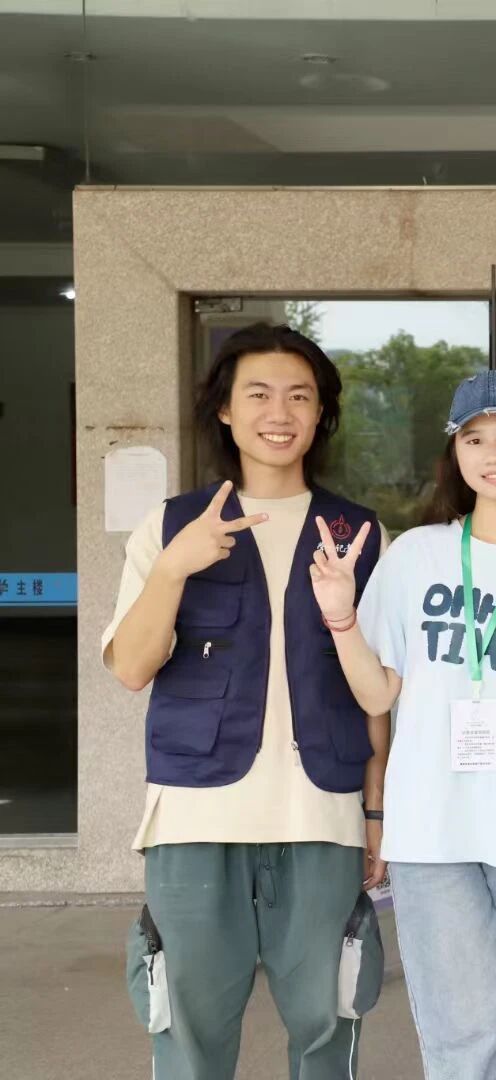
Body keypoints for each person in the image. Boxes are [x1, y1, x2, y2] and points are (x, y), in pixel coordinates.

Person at [107, 322, 387, 1079]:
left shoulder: (358, 533)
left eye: (300, 396)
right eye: (258, 394)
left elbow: (377, 695)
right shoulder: (171, 526)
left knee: (329, 1024)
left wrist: (375, 813)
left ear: (321, 413)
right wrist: (173, 569)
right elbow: (131, 667)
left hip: (322, 815)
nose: (280, 412)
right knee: (189, 1033)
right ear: (225, 410)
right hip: (195, 817)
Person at [314, 370, 496, 1080]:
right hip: (433, 826)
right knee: (471, 1029)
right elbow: (377, 693)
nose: (493, 453)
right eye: (474, 439)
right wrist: (341, 618)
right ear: (455, 453)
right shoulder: (417, 556)